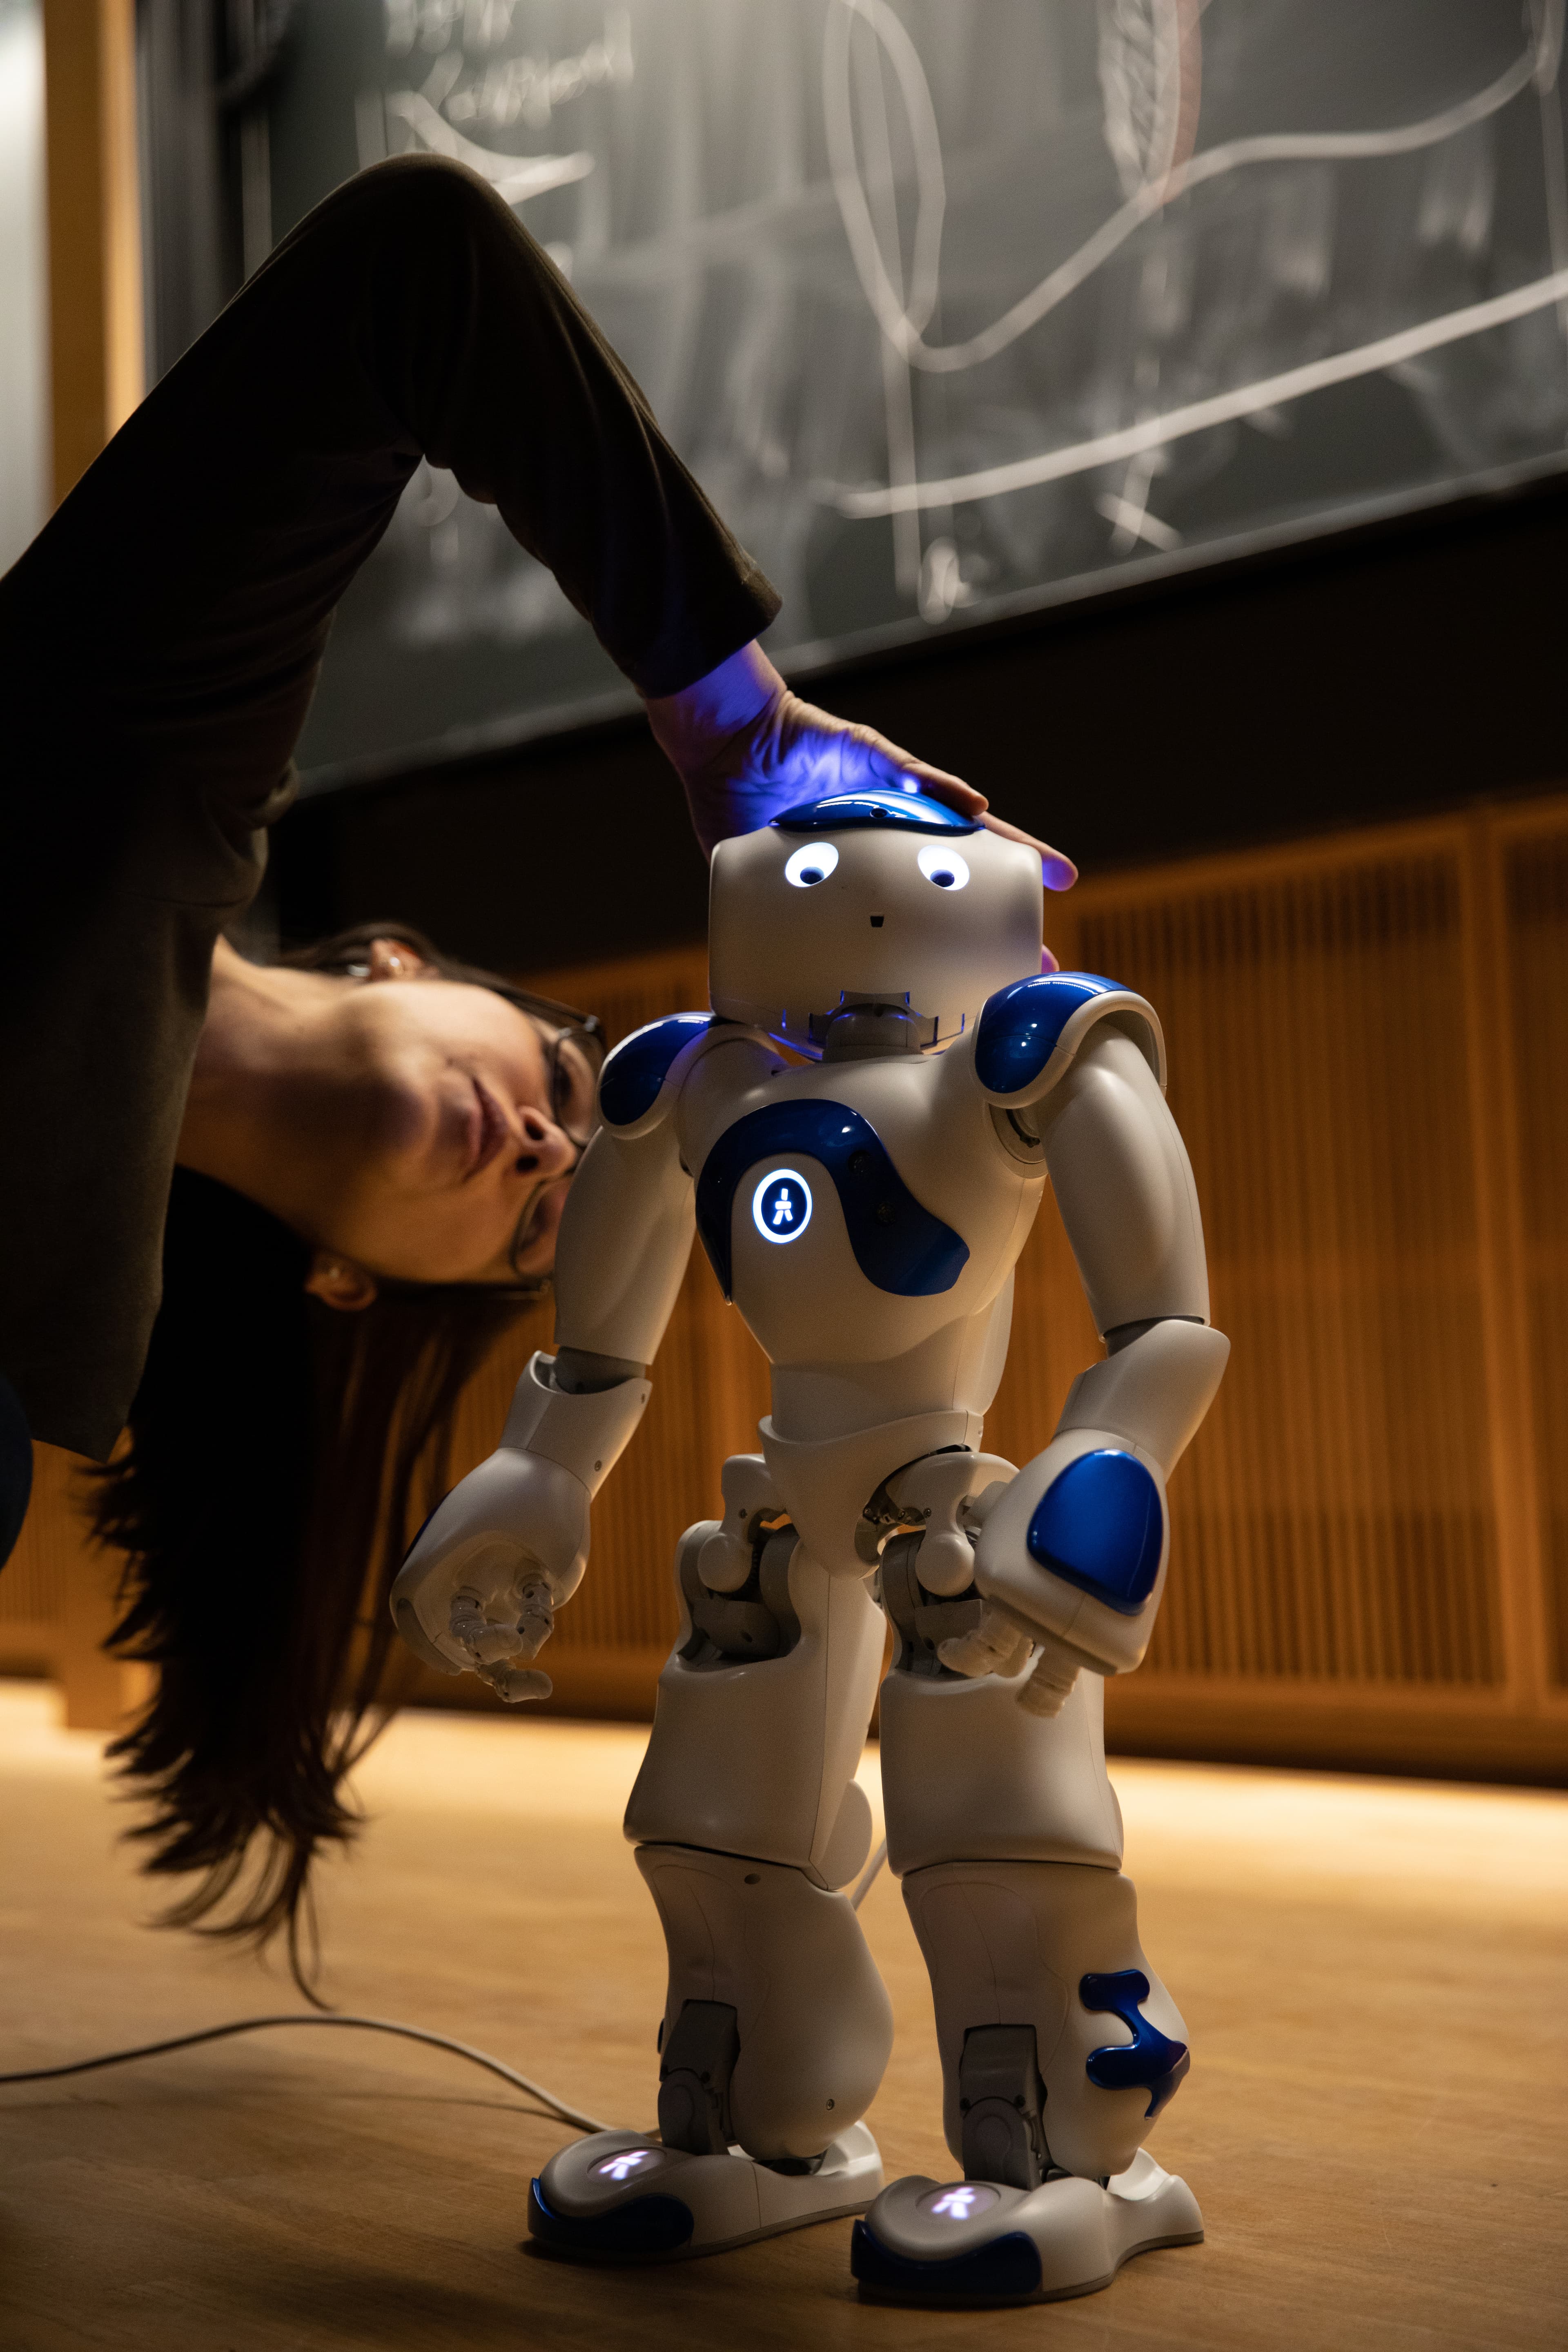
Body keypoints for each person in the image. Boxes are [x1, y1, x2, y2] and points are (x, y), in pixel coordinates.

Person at [0, 152, 1072, 1986]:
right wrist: (729, 722)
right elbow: (419, 261)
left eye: (527, 1242)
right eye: (574, 1099)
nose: (548, 1164)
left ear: (350, 1284)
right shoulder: (146, 763)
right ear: (403, 962)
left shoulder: (49, 1338)